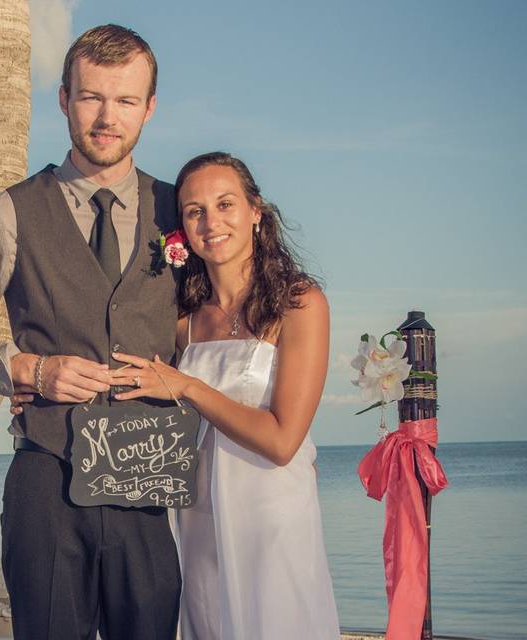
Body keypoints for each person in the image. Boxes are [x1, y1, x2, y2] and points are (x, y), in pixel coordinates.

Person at [0, 25, 181, 640]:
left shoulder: (179, 210)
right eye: (91, 97)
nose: (106, 117)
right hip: (47, 480)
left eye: (125, 101)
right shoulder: (11, 211)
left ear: (149, 108)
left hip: (149, 482)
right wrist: (29, 369)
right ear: (64, 99)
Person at [109, 152, 341, 639]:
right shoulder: (184, 320)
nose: (211, 222)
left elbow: (282, 442)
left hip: (270, 514)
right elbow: (113, 356)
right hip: (196, 518)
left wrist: (189, 386)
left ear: (256, 211)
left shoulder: (301, 305)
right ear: (182, 230)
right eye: (195, 211)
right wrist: (35, 382)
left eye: (225, 204)